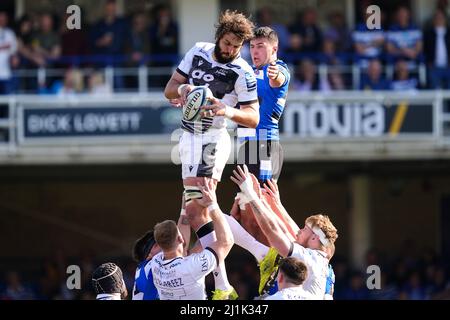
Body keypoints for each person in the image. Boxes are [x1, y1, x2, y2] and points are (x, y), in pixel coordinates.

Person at [164, 10, 259, 299]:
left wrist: (226, 110)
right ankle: (205, 281)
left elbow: (253, 117)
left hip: (212, 139)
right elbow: (169, 90)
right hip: (188, 136)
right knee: (193, 212)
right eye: (228, 42)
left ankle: (221, 283)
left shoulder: (242, 71)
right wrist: (185, 90)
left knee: (197, 208)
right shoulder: (198, 52)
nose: (231, 50)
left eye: (236, 46)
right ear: (219, 37)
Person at [231, 165, 338, 299]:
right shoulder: (326, 268)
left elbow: (274, 231)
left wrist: (252, 195)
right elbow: (295, 234)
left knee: (264, 236)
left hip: (276, 291)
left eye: (304, 229)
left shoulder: (310, 259)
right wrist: (278, 205)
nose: (299, 231)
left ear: (314, 238)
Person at [149, 178, 234, 300]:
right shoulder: (191, 266)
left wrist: (185, 211)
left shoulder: (156, 263)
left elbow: (183, 252)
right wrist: (212, 204)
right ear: (180, 239)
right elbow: (227, 241)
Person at [238, 26, 290, 184]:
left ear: (274, 48)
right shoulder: (248, 72)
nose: (254, 52)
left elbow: (278, 79)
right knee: (246, 202)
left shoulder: (278, 68)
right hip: (246, 145)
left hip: (264, 144)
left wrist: (275, 76)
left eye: (260, 46)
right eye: (252, 46)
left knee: (263, 200)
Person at [131, 230, 160, 300]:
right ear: (149, 254)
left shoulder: (143, 267)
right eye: (157, 244)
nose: (164, 245)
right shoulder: (153, 264)